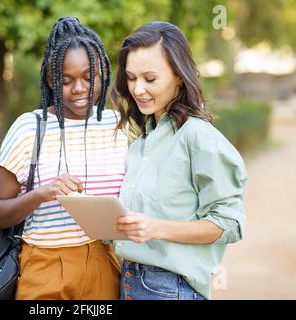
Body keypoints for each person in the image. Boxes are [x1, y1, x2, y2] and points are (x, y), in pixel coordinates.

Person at [0, 17, 128, 300]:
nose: (79, 89)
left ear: (104, 75)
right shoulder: (29, 128)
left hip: (104, 264)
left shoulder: (119, 126)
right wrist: (41, 194)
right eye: (66, 80)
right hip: (44, 267)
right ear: (50, 80)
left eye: (89, 77)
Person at [110, 21, 247, 300]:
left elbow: (229, 225)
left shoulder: (199, 138)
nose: (137, 89)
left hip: (171, 290)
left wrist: (155, 228)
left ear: (179, 77)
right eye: (131, 78)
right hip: (127, 282)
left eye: (150, 79)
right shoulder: (141, 142)